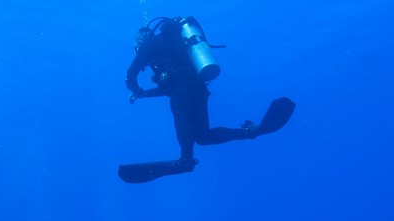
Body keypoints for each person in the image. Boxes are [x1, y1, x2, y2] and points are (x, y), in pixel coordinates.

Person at [122, 15, 295, 182]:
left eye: (137, 46)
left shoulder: (150, 44)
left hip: (181, 88)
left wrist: (135, 89)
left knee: (182, 119)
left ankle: (186, 159)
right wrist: (144, 94)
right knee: (203, 136)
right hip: (198, 87)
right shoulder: (172, 47)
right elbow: (166, 89)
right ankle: (250, 132)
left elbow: (131, 73)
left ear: (142, 40)